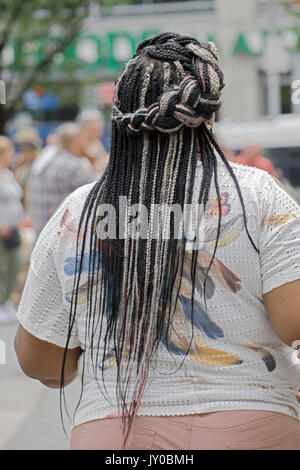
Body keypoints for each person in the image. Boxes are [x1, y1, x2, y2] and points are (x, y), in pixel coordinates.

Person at [14, 33, 300, 450]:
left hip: (113, 439)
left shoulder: (78, 213)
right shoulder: (257, 195)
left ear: (119, 115)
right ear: (207, 114)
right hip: (250, 429)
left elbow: (40, 362)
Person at [27, 123, 98, 238]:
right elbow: (98, 193)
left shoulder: (42, 161)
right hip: (60, 239)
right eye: (84, 140)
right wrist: (92, 160)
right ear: (75, 142)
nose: (88, 144)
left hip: (41, 236)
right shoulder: (72, 165)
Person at [0, 136, 24, 324]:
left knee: (15, 264)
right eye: (9, 152)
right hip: (2, 228)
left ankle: (6, 300)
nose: (12, 155)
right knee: (2, 266)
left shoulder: (7, 173)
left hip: (13, 228)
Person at [76, 109, 109, 174]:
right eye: (95, 128)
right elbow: (94, 165)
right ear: (85, 128)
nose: (100, 130)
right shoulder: (79, 142)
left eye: (100, 127)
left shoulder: (95, 141)